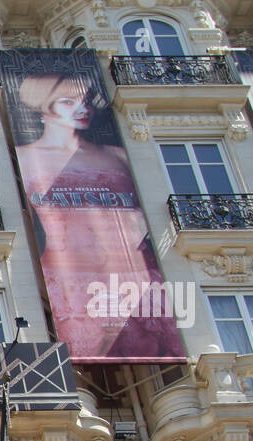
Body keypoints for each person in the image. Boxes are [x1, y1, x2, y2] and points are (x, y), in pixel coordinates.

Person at [13, 73, 179, 359]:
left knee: (154, 353)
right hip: (68, 280)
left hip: (134, 277)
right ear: (43, 106)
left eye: (86, 101)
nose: (82, 109)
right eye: (68, 102)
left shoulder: (117, 155)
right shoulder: (26, 156)